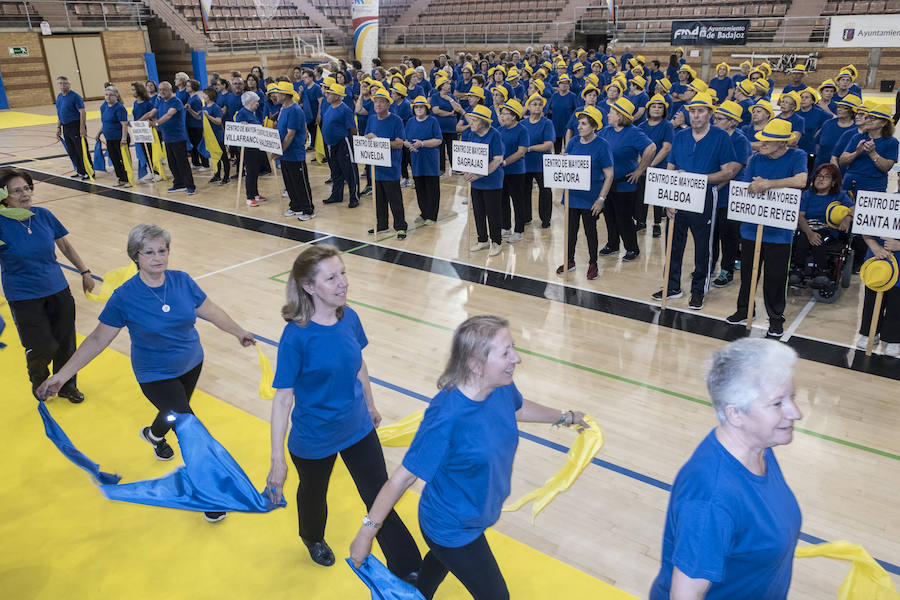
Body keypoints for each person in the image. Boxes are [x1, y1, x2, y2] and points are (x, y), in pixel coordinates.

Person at [349, 314, 588, 599]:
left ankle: (418, 592)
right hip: (451, 526)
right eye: (506, 352)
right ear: (475, 365)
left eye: (513, 347)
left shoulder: (499, 387)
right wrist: (366, 534)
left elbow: (518, 409)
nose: (517, 358)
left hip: (475, 514)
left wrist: (565, 417)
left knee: (438, 564)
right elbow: (401, 479)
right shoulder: (447, 417)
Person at [37, 223, 255, 522]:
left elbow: (212, 310)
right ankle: (208, 493)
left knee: (173, 415)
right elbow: (99, 339)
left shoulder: (182, 281)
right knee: (189, 427)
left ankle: (154, 434)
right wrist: (61, 375)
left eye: (162, 250)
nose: (157, 257)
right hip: (155, 374)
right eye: (149, 252)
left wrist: (238, 331)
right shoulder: (125, 296)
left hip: (191, 363)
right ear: (135, 256)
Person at [265, 245, 422, 575]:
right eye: (332, 277)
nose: (343, 283)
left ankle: (407, 566)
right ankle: (312, 537)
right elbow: (282, 399)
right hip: (314, 437)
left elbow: (358, 362)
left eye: (343, 273)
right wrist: (277, 459)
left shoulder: (349, 316)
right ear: (309, 286)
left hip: (356, 426)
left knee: (379, 494)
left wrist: (370, 402)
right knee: (313, 495)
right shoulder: (296, 336)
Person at [649, 338, 803, 600]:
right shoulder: (712, 498)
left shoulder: (759, 448)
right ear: (735, 414)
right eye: (778, 403)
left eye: (792, 398)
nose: (795, 412)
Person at [0, 168, 94, 402]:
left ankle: (66, 385)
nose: (25, 194)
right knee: (42, 346)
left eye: (27, 188)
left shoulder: (43, 215)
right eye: (17, 191)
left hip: (58, 290)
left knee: (66, 342)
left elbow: (65, 246)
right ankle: (39, 379)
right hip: (23, 296)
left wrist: (85, 271)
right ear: (3, 195)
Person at [653, 93, 740, 310]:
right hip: (678, 196)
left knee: (703, 246)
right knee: (672, 243)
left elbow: (727, 172)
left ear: (710, 114)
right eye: (692, 111)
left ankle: (698, 289)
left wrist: (698, 179)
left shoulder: (721, 137)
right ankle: (672, 286)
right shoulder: (680, 136)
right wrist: (668, 199)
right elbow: (671, 167)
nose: (696, 115)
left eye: (701, 111)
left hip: (704, 197)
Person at [726, 119, 807, 338]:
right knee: (747, 275)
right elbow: (749, 185)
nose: (760, 143)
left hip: (780, 232)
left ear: (782, 143)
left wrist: (769, 183)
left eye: (766, 141)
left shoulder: (797, 156)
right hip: (751, 227)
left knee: (775, 278)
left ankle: (775, 318)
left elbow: (801, 180)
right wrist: (757, 186)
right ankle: (744, 310)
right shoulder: (755, 159)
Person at [557, 106, 614, 280]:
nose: (579, 126)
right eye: (579, 123)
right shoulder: (573, 141)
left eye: (583, 124)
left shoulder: (602, 145)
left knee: (590, 232)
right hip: (572, 195)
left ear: (594, 126)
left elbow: (609, 174)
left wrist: (601, 199)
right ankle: (569, 260)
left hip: (591, 197)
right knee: (570, 231)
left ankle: (593, 263)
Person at [598, 97, 655, 262]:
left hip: (625, 183)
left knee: (624, 218)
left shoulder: (633, 132)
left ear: (620, 115)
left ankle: (632, 248)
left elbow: (651, 148)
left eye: (611, 112)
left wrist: (640, 169)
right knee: (609, 215)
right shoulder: (606, 130)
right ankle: (613, 244)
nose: (608, 114)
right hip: (607, 182)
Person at [793, 163, 853, 289]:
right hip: (807, 227)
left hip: (828, 229)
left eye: (826, 177)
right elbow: (800, 216)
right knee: (801, 239)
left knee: (819, 239)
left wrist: (848, 218)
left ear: (833, 182)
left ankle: (823, 271)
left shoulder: (839, 195)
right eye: (819, 176)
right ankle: (798, 270)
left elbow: (854, 208)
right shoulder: (808, 195)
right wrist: (809, 233)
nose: (821, 179)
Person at [711, 101, 751, 289]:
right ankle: (708, 266)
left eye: (720, 119)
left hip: (729, 194)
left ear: (732, 122)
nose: (715, 121)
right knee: (711, 233)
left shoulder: (740, 140)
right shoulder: (713, 136)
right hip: (712, 190)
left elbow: (732, 171)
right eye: (715, 117)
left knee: (728, 234)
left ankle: (726, 270)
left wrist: (709, 189)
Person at [462, 105, 506, 257]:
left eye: (474, 120)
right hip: (475, 180)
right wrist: (467, 171)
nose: (471, 123)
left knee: (493, 213)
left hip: (492, 180)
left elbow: (498, 159)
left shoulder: (495, 135)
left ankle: (496, 241)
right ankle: (482, 239)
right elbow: (467, 156)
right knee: (478, 211)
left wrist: (479, 174)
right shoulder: (471, 134)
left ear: (483, 122)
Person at [364, 88, 408, 239]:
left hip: (391, 168)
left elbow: (399, 143)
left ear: (388, 104)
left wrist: (378, 141)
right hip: (376, 168)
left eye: (382, 102)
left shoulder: (396, 120)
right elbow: (367, 139)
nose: (378, 104)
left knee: (395, 200)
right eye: (376, 101)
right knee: (379, 199)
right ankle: (381, 225)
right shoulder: (371, 119)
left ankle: (401, 226)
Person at [275, 82, 315, 221]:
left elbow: (290, 135)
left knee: (300, 182)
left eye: (279, 93)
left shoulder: (295, 110)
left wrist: (279, 151)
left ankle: (308, 209)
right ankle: (295, 205)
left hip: (295, 154)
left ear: (286, 95)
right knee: (289, 182)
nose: (276, 95)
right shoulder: (283, 108)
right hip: (285, 154)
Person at [857, 236, 900, 356]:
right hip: (877, 258)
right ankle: (870, 333)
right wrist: (875, 246)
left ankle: (893, 338)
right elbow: (866, 227)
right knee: (871, 300)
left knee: (896, 303)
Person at [638, 94, 674, 237]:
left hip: (659, 166)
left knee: (657, 197)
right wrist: (642, 164)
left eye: (660, 107)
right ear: (649, 109)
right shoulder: (641, 126)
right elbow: (638, 147)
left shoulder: (667, 125)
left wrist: (651, 164)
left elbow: (666, 147)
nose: (657, 109)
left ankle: (657, 223)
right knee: (642, 195)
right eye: (654, 106)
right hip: (642, 167)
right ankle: (641, 221)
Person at [321, 83, 360, 208]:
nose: (327, 95)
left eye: (330, 93)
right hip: (330, 144)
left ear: (337, 96)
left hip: (343, 143)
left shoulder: (345, 110)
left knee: (349, 171)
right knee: (336, 171)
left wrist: (350, 143)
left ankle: (354, 197)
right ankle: (336, 195)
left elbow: (353, 129)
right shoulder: (329, 106)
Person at [405, 96, 442, 224]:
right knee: (420, 188)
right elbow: (405, 139)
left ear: (426, 109)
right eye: (416, 107)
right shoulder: (410, 122)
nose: (419, 109)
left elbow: (438, 140)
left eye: (421, 107)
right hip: (416, 160)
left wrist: (422, 143)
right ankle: (424, 212)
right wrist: (408, 145)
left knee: (432, 188)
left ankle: (432, 216)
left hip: (430, 159)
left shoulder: (433, 121)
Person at [522, 93, 556, 228]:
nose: (537, 107)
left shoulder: (547, 123)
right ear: (529, 107)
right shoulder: (523, 123)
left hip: (542, 164)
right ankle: (525, 217)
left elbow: (548, 145)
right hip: (525, 163)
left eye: (540, 104)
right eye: (534, 104)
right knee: (524, 191)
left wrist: (529, 148)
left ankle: (545, 219)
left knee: (545, 192)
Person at [155, 82, 196, 195]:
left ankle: (190, 186)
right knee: (172, 163)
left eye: (164, 89)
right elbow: (153, 112)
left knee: (182, 163)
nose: (161, 92)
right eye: (160, 90)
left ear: (170, 90)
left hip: (178, 137)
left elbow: (169, 115)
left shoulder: (176, 101)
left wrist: (157, 123)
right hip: (167, 137)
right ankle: (179, 183)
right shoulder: (161, 102)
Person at [497, 99, 529, 244]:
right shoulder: (500, 129)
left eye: (506, 114)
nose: (503, 116)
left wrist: (505, 162)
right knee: (503, 200)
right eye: (502, 113)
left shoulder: (522, 130)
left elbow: (521, 151)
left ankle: (519, 230)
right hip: (501, 171)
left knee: (517, 201)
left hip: (516, 171)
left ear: (514, 115)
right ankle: (505, 226)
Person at [234, 91, 266, 207]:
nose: (258, 104)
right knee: (251, 171)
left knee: (256, 170)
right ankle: (250, 196)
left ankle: (255, 193)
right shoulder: (242, 113)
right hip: (247, 148)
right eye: (256, 101)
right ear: (251, 102)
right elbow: (238, 127)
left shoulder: (252, 113)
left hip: (255, 146)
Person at [813, 93, 858, 172]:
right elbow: (817, 143)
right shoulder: (828, 123)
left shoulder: (856, 129)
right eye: (839, 107)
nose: (839, 110)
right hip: (821, 167)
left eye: (844, 108)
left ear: (852, 112)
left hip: (844, 170)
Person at [430, 74, 463, 175]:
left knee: (452, 148)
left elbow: (458, 109)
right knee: (440, 149)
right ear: (441, 86)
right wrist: (449, 113)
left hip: (451, 128)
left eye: (449, 84)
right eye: (446, 84)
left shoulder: (452, 97)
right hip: (439, 127)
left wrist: (450, 99)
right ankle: (441, 169)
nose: (449, 85)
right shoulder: (435, 96)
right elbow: (436, 111)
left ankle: (455, 168)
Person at [55, 76, 88, 180]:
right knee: (72, 151)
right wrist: (58, 127)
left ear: (69, 84)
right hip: (66, 127)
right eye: (60, 83)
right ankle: (80, 172)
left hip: (76, 125)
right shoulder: (59, 97)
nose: (63, 85)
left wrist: (82, 128)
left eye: (65, 83)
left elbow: (82, 112)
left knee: (81, 149)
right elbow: (60, 113)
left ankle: (88, 171)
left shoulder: (75, 96)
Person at [98, 86, 130, 187]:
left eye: (110, 95)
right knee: (115, 159)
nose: (108, 97)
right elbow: (105, 122)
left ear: (116, 96)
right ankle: (120, 179)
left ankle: (128, 179)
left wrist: (124, 138)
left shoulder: (119, 108)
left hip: (120, 139)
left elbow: (124, 124)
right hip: (109, 139)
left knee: (123, 159)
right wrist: (99, 133)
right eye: (106, 94)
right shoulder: (104, 107)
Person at [201, 87, 230, 186]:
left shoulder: (215, 107)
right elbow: (199, 117)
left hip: (218, 136)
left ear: (210, 96)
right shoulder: (204, 107)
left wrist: (208, 116)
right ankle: (217, 175)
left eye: (205, 94)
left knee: (223, 157)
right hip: (210, 137)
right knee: (214, 156)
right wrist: (190, 110)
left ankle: (226, 177)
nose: (203, 96)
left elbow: (218, 121)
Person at [549, 75, 580, 153]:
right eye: (562, 83)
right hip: (556, 126)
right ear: (559, 84)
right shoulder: (554, 96)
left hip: (568, 127)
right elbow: (549, 109)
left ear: (569, 85)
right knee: (556, 151)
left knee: (568, 150)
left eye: (566, 83)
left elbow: (577, 111)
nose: (564, 85)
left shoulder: (573, 96)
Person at [183, 80, 209, 171]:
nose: (186, 87)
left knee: (199, 144)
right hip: (190, 125)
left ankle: (205, 164)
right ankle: (195, 162)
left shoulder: (196, 99)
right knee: (193, 145)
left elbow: (198, 115)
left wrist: (189, 110)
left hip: (197, 125)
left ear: (193, 87)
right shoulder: (190, 98)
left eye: (188, 86)